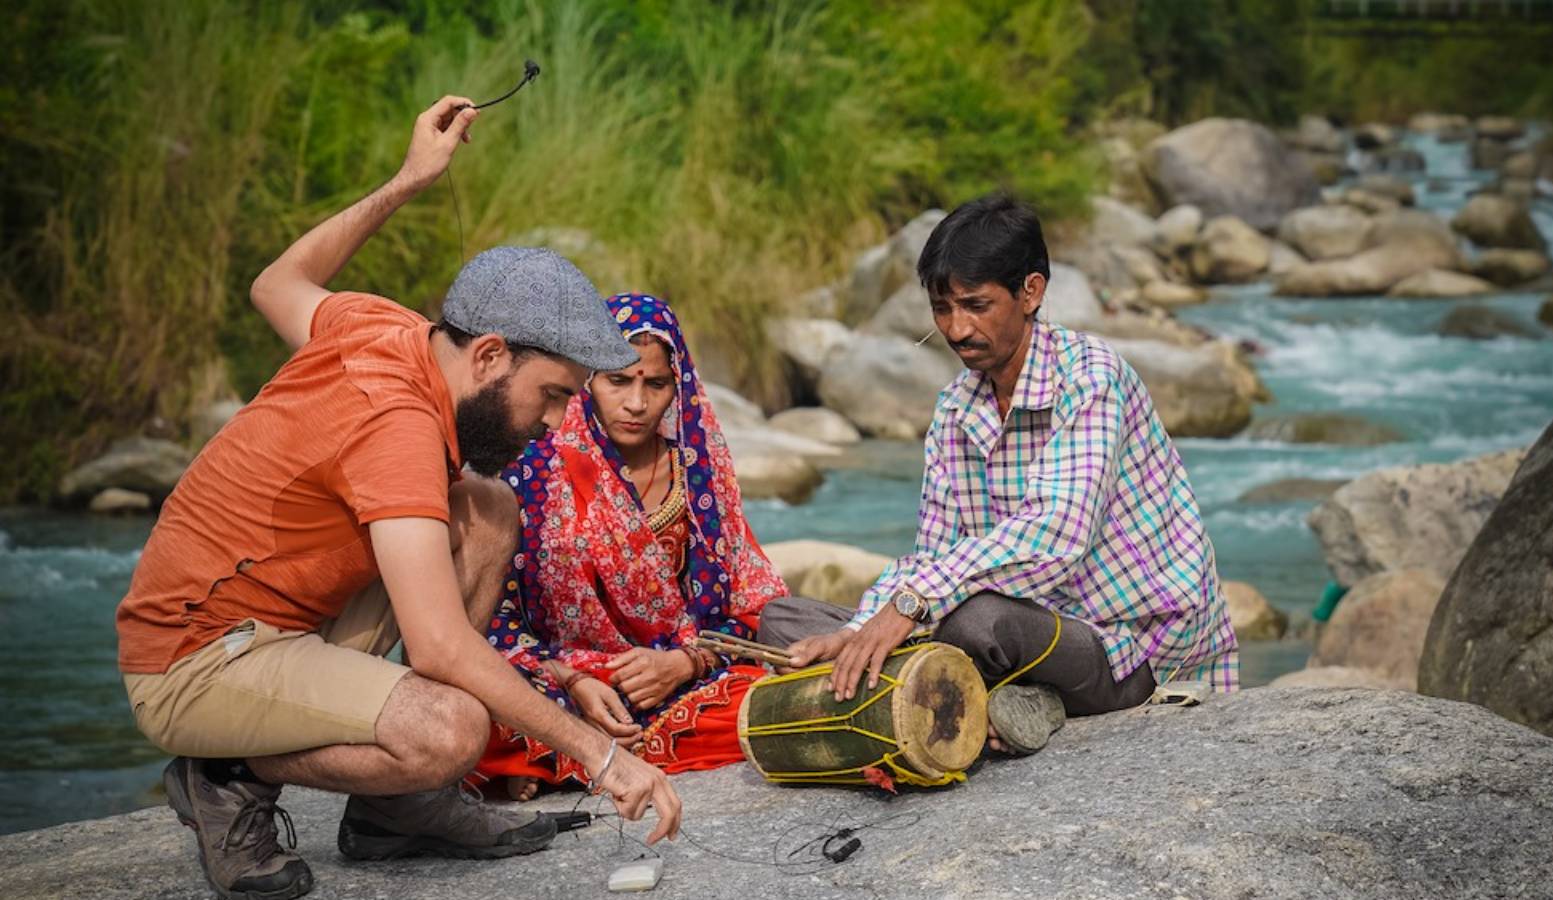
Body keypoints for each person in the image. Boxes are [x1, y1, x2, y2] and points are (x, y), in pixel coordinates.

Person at [114, 96, 680, 900]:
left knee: (487, 510)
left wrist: (409, 180)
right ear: (489, 354)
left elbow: (276, 283)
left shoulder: (385, 326)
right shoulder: (399, 426)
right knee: (451, 729)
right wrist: (603, 755)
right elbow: (443, 650)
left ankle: (397, 810)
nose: (557, 424)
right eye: (553, 395)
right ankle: (223, 773)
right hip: (194, 661)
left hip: (281, 618)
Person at [759, 194, 1238, 756]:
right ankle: (989, 698)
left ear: (1030, 292)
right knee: (784, 622)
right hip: (1011, 635)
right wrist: (860, 626)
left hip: (1129, 648)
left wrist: (912, 606)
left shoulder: (1090, 378)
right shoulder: (956, 408)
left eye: (976, 304)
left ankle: (973, 694)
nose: (957, 328)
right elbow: (934, 550)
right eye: (943, 308)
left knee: (978, 621)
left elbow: (1057, 533)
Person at [474, 292, 788, 799]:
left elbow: (747, 609)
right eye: (618, 380)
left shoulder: (698, 477)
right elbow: (493, 619)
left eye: (656, 384)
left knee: (763, 703)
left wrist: (684, 664)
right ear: (587, 379)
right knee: (476, 716)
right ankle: (559, 745)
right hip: (562, 682)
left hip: (675, 680)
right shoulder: (533, 469)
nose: (637, 403)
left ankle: (550, 763)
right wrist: (570, 677)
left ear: (677, 386)